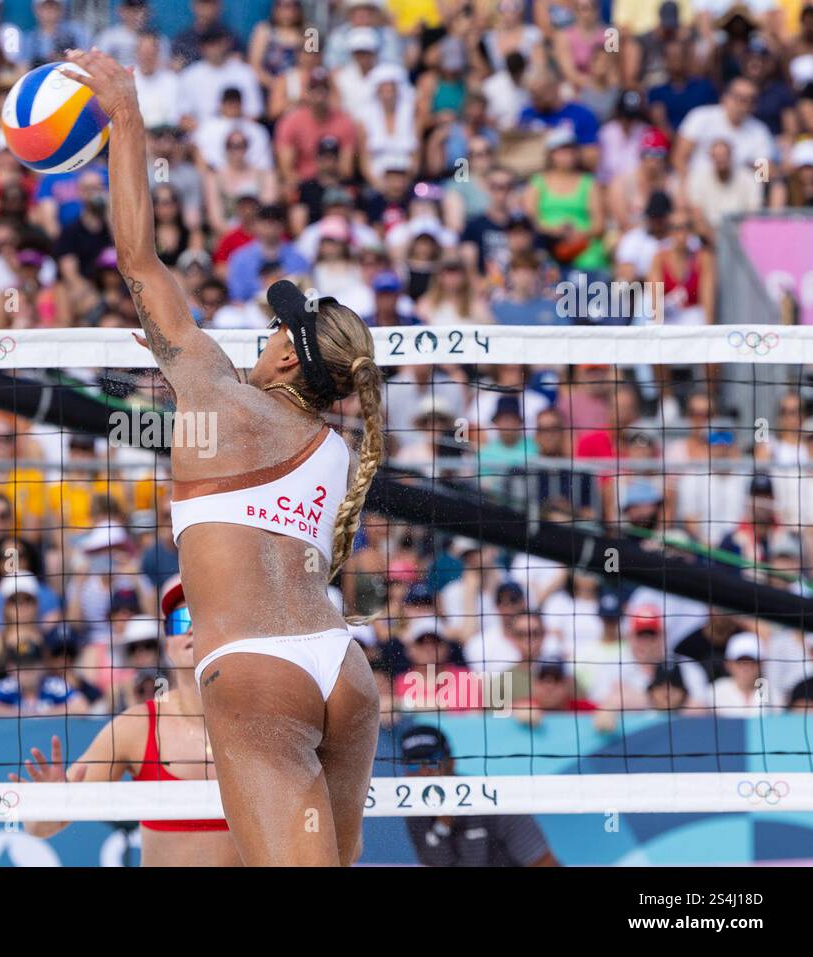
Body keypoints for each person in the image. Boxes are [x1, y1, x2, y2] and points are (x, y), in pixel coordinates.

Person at [65, 49, 381, 866]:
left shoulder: (212, 391)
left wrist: (125, 118)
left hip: (252, 674)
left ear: (287, 362)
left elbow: (138, 258)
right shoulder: (339, 450)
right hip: (342, 672)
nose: (268, 330)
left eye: (280, 330)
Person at [11, 577, 238, 866]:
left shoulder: (267, 725)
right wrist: (49, 804)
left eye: (201, 615)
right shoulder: (136, 727)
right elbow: (40, 827)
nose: (191, 626)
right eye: (179, 620)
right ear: (167, 645)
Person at [401, 725, 560, 866]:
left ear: (451, 763)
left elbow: (544, 862)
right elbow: (434, 862)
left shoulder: (496, 800)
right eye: (413, 764)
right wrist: (443, 826)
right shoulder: (412, 807)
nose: (423, 771)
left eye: (431, 762)